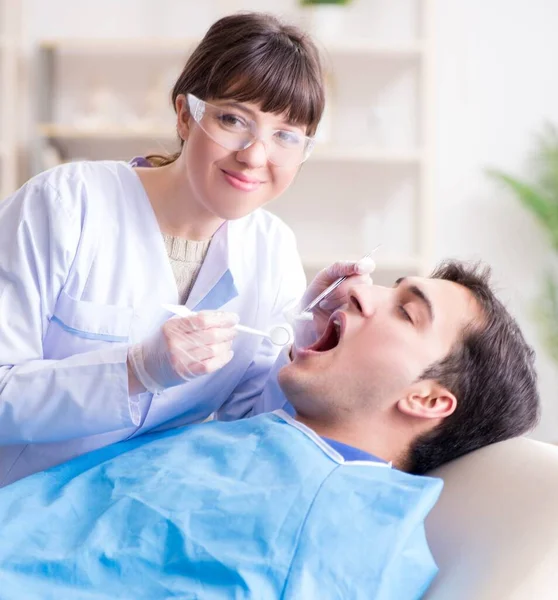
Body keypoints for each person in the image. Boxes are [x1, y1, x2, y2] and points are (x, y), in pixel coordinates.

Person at [0, 261, 540, 599]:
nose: (361, 291)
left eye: (406, 313)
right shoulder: (258, 437)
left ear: (426, 398)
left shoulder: (349, 532)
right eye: (391, 287)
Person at [0, 12, 375, 486]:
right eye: (234, 119)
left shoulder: (271, 249)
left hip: (134, 519)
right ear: (185, 114)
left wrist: (309, 335)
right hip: (16, 510)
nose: (255, 156)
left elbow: (253, 423)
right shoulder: (66, 204)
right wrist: (134, 371)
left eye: (285, 135)